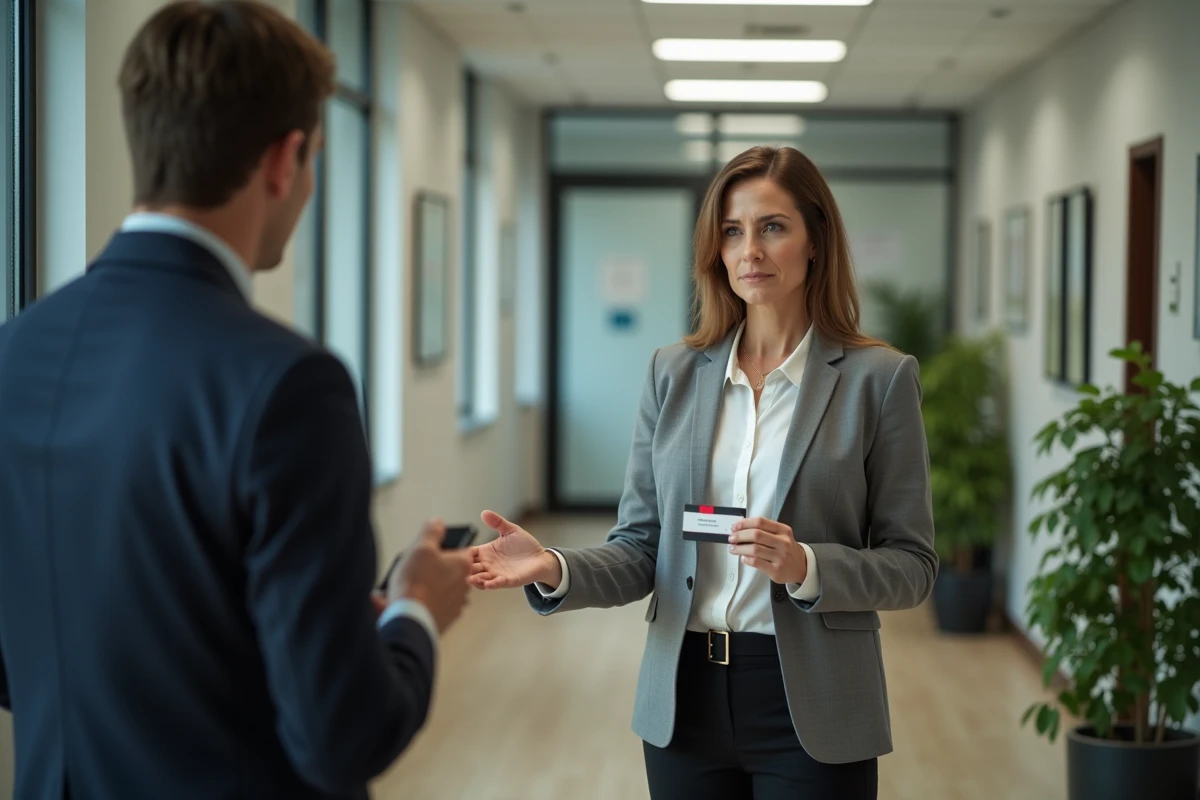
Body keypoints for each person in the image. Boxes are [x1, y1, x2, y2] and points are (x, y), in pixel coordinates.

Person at [0, 2, 470, 797]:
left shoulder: (13, 350)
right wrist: (414, 611)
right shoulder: (288, 385)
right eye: (317, 158)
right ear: (285, 161)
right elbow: (341, 738)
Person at [471, 146, 937, 800]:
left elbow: (912, 564)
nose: (751, 249)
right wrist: (553, 566)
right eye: (732, 230)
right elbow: (641, 547)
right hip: (683, 700)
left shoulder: (878, 380)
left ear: (815, 242)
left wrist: (806, 565)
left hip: (814, 702)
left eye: (773, 226)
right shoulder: (674, 372)